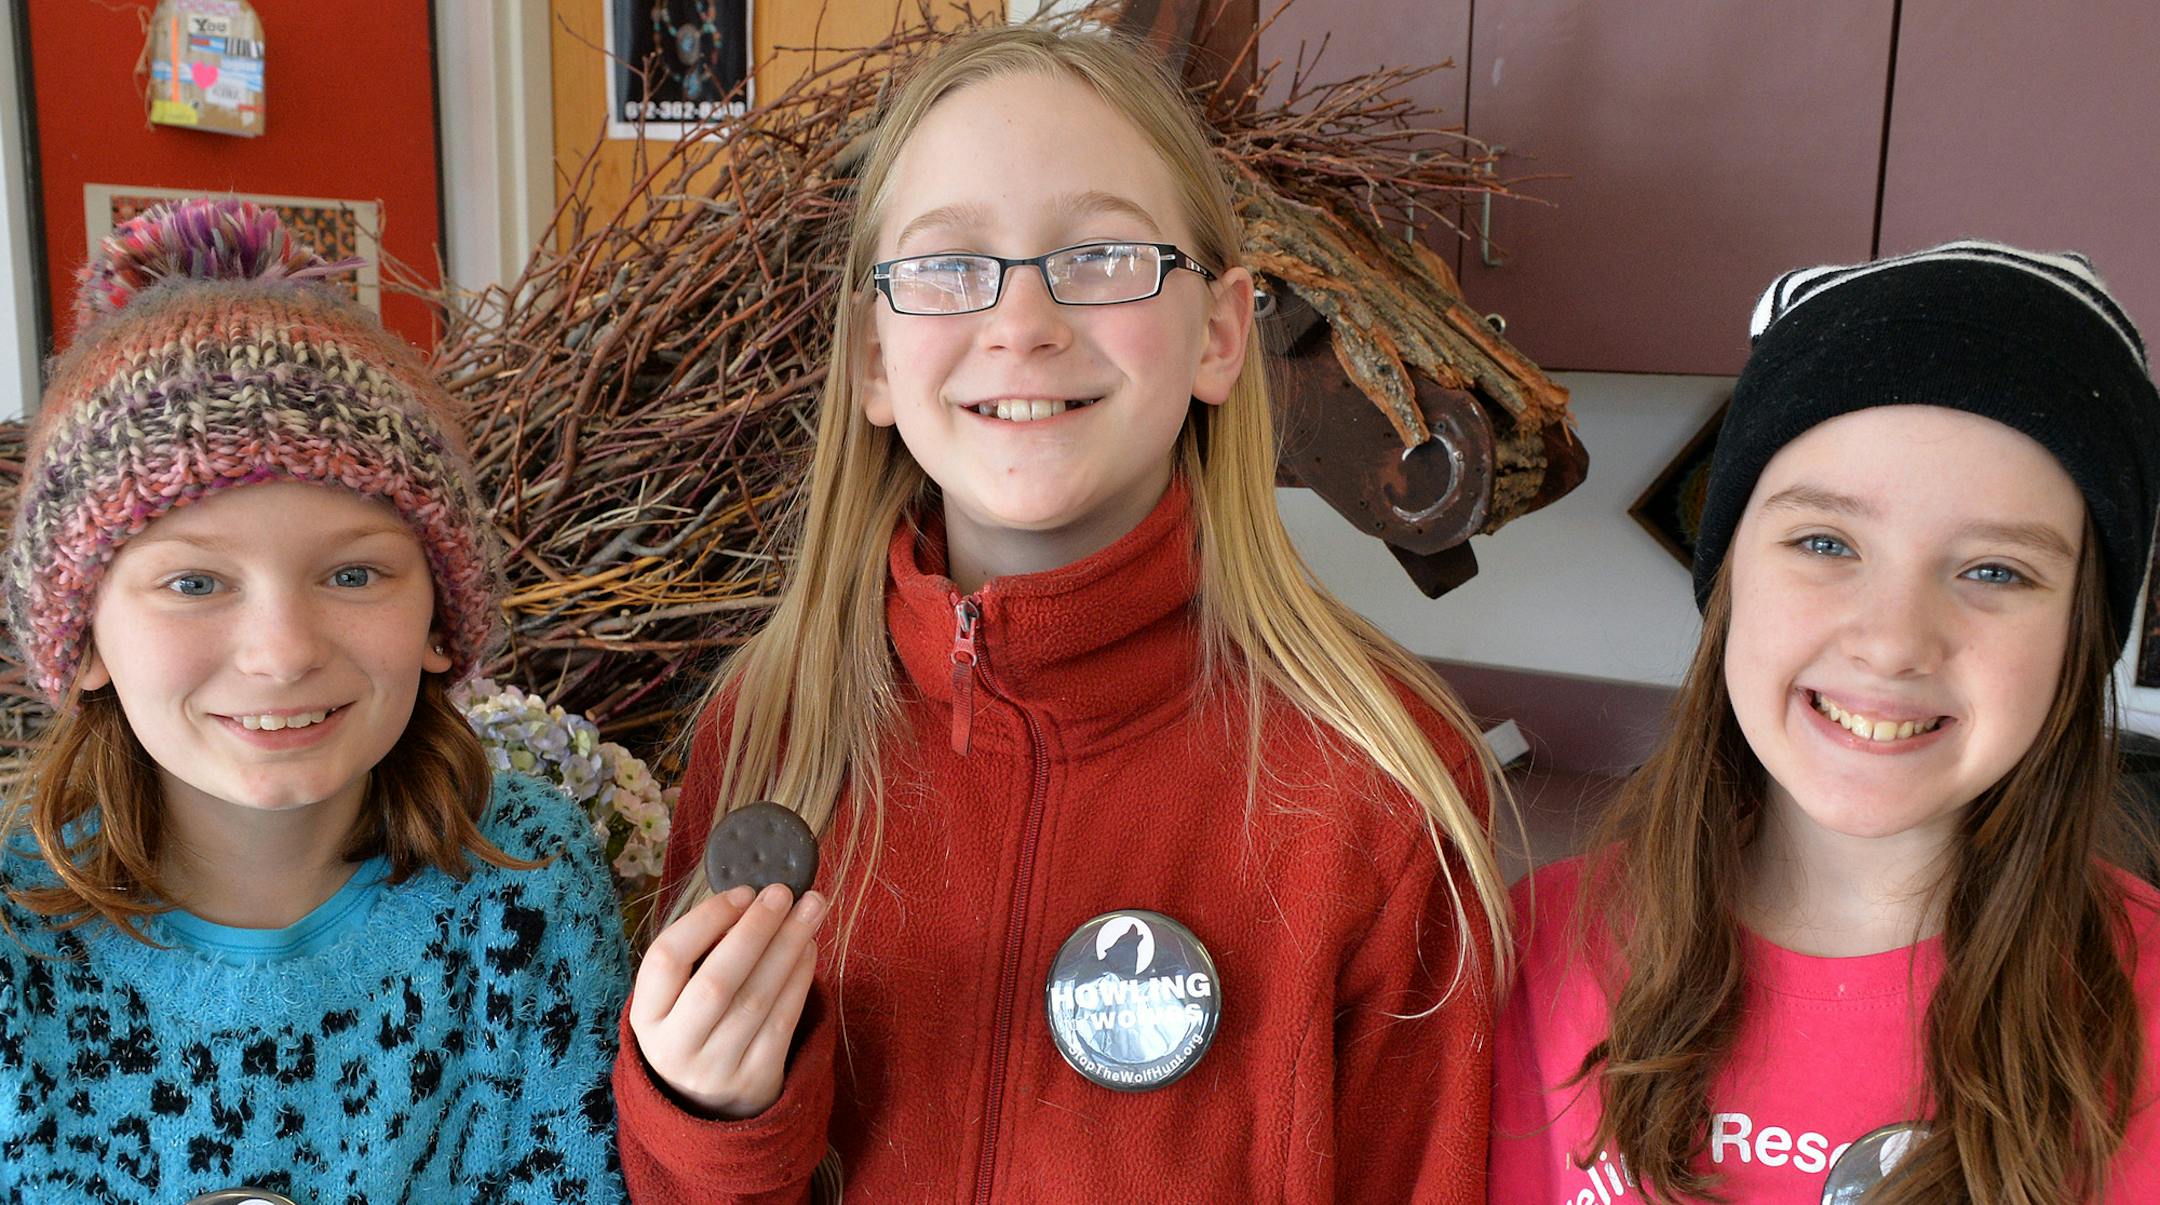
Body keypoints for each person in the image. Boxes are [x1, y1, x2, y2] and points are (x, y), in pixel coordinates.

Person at [612, 24, 1514, 1203]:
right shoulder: (771, 729)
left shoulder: (1379, 785)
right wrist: (710, 1121)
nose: (1023, 321)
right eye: (947, 265)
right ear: (873, 358)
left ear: (1221, 335)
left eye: (1099, 255)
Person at [1490, 242, 2160, 1202]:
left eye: (1995, 570)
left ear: (2079, 635)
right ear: (1730, 582)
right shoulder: (1538, 948)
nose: (1892, 642)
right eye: (1825, 542)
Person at [0, 198, 631, 1202]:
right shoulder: (15, 946)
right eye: (195, 582)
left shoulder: (529, 895)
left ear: (439, 620)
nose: (284, 651)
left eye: (353, 575)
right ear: (82, 639)